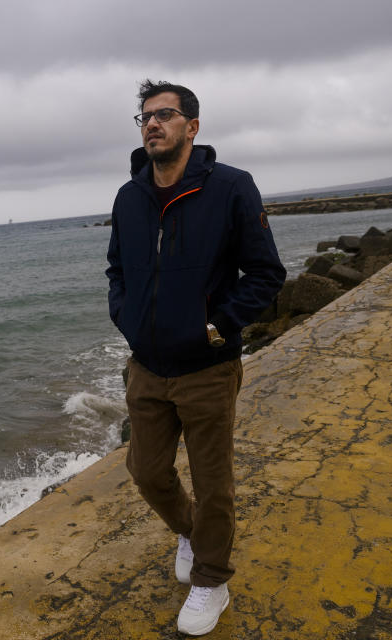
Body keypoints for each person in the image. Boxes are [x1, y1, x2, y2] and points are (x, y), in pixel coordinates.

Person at [106, 80, 285, 636]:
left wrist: (214, 327)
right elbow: (117, 271)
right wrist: (127, 318)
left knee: (214, 486)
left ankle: (212, 580)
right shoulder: (129, 197)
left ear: (192, 126)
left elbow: (266, 276)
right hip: (146, 366)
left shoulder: (231, 187)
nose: (152, 124)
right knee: (147, 471)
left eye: (165, 115)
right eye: (145, 117)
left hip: (207, 367)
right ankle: (189, 532)